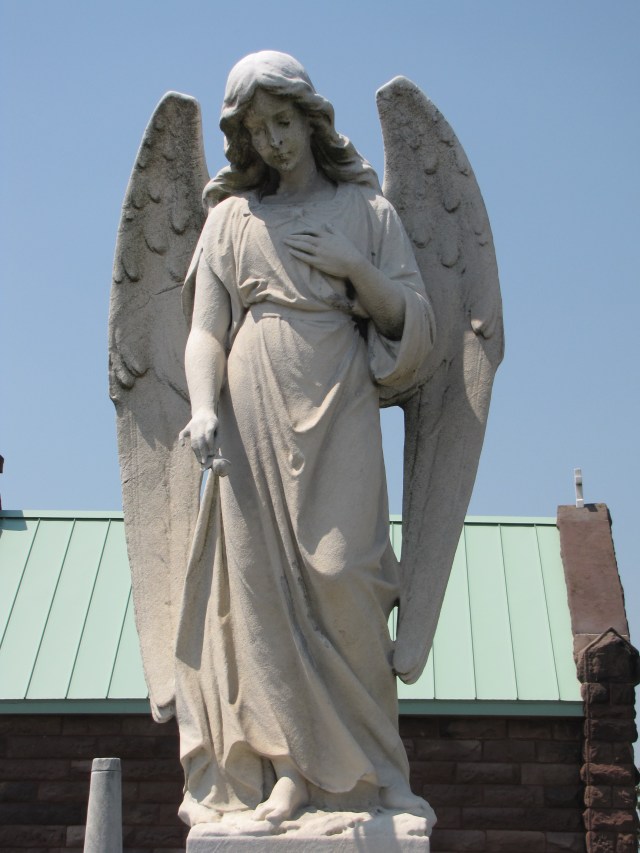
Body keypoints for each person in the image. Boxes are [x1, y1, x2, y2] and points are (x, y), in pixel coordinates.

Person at [175, 50, 436, 827]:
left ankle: (378, 770)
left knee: (345, 570)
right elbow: (205, 330)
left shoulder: (368, 213)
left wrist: (356, 268)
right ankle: (290, 770)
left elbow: (413, 325)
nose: (274, 141)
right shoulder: (230, 221)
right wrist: (202, 406)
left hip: (339, 393)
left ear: (312, 120)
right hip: (249, 404)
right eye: (258, 130)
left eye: (283, 122)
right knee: (262, 588)